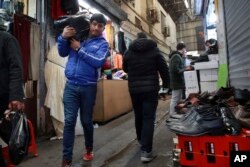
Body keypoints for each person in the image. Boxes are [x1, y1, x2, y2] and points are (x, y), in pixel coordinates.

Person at [57, 13, 109, 167]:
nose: (96, 28)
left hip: (88, 87)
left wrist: (79, 49)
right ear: (90, 24)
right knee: (69, 121)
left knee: (87, 121)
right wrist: (62, 37)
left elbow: (98, 62)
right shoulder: (79, 35)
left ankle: (89, 148)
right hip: (71, 86)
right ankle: (66, 159)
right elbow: (62, 52)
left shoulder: (103, 44)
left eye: (100, 26)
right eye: (94, 24)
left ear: (103, 28)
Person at [123, 32, 170, 163]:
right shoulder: (154, 51)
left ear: (136, 39)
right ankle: (146, 151)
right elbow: (164, 69)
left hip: (134, 90)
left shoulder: (128, 52)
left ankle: (141, 139)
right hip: (150, 90)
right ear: (146, 39)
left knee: (139, 115)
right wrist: (166, 86)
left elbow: (125, 69)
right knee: (148, 117)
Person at [0, 18, 25, 167]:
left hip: (4, 97)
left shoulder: (7, 39)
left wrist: (16, 95)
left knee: (12, 136)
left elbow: (16, 67)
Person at [169, 43, 192, 115]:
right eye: (185, 49)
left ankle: (176, 112)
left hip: (178, 81)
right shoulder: (176, 56)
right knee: (175, 98)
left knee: (178, 99)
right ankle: (172, 113)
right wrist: (185, 69)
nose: (185, 51)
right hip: (176, 81)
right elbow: (174, 69)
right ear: (183, 49)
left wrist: (184, 69)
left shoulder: (178, 56)